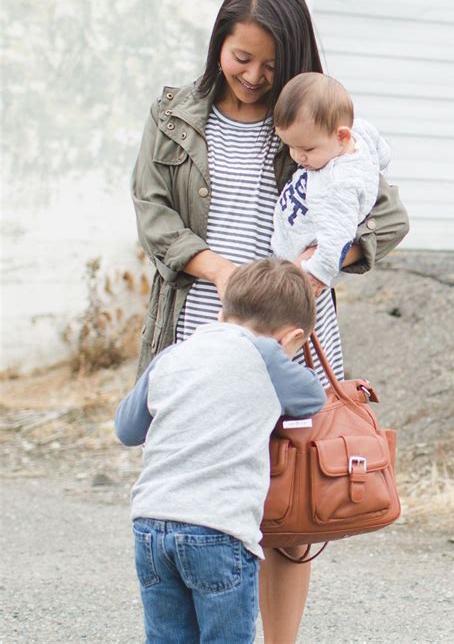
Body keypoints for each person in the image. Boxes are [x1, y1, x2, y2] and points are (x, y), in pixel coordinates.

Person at [131, 0, 409, 643]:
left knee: (287, 514)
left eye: (271, 63)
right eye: (240, 57)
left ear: (296, 55)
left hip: (291, 337)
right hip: (202, 327)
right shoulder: (175, 115)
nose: (254, 76)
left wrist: (316, 270)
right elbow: (153, 212)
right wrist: (221, 271)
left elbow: (389, 218)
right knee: (202, 504)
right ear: (218, 45)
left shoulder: (318, 116)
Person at [115, 259, 326, 644]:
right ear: (292, 336)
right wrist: (284, 352)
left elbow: (126, 429)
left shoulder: (172, 356)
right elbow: (312, 398)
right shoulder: (268, 356)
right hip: (218, 530)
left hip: (151, 524)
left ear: (221, 310)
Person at [271, 72, 391, 295]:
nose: (297, 156)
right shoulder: (360, 131)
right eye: (290, 146)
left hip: (304, 266)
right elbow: (381, 151)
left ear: (342, 137)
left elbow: (337, 238)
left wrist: (316, 274)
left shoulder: (338, 186)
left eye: (307, 149)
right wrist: (377, 165)